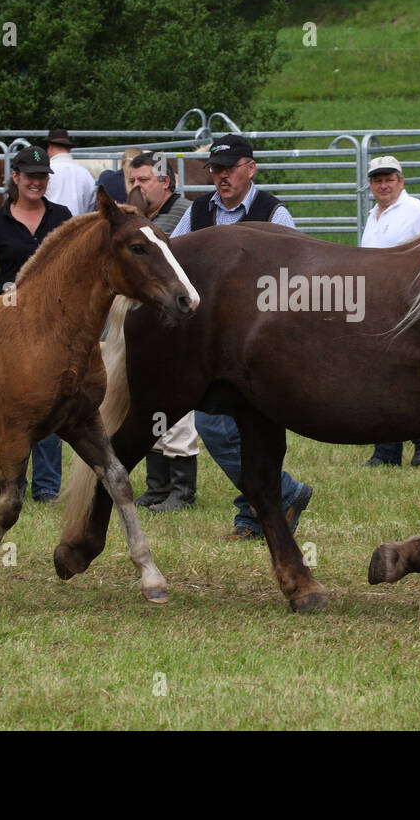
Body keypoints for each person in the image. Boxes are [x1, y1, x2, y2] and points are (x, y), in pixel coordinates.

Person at [169, 134, 313, 540]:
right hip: (213, 343)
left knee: (234, 426)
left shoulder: (274, 215)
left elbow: (296, 280)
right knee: (222, 425)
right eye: (215, 169)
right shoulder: (198, 212)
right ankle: (278, 498)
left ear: (251, 168)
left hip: (259, 343)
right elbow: (175, 262)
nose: (221, 176)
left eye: (230, 168)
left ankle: (257, 514)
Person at [0, 142, 72, 503]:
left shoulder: (62, 216)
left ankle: (47, 487)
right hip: (10, 321)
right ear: (15, 177)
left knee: (50, 399)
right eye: (30, 176)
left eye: (42, 176)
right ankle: (14, 481)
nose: (37, 183)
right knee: (16, 403)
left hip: (53, 322)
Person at [125, 152, 198, 512]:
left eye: (144, 180)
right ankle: (158, 484)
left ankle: (182, 489)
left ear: (165, 180)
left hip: (177, 325)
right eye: (132, 181)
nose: (137, 187)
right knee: (149, 401)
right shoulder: (137, 220)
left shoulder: (185, 214)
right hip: (146, 325)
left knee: (178, 408)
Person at [358, 154, 420, 467]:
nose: (383, 185)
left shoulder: (417, 211)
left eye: (388, 179)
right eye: (377, 180)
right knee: (381, 375)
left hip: (407, 305)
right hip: (378, 306)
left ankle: (419, 434)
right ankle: (391, 449)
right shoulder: (374, 215)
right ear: (370, 185)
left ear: (400, 181)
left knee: (396, 374)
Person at [42, 129, 98, 218]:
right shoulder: (85, 173)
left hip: (50, 226)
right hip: (79, 226)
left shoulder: (45, 171)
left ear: (50, 147)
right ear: (69, 149)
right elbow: (91, 206)